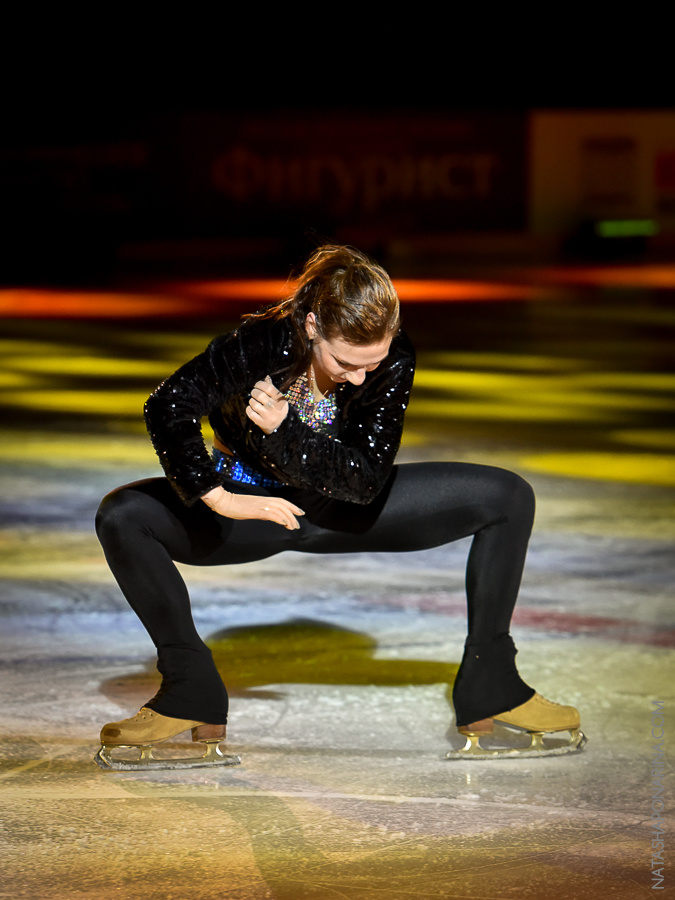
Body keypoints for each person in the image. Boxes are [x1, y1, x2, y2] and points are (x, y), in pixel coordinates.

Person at [95, 244, 584, 768]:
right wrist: (220, 496)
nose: (359, 378)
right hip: (255, 509)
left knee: (508, 497)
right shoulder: (259, 345)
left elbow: (364, 480)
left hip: (346, 508)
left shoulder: (393, 358)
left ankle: (493, 682)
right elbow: (169, 404)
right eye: (345, 363)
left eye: (372, 363)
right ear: (312, 327)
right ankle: (190, 687)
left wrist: (286, 432)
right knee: (123, 515)